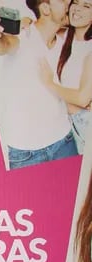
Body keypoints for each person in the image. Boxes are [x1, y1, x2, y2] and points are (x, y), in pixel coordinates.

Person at [0, 1, 76, 168]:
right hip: (26, 155)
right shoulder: (23, 36)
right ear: (45, 8)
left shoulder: (66, 39)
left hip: (64, 142)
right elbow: (2, 45)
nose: (70, 2)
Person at [39, 0, 92, 152]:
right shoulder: (65, 35)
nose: (78, 9)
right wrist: (25, 21)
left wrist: (49, 84)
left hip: (85, 122)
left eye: (87, 6)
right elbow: (41, 25)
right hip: (66, 124)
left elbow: (82, 99)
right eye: (76, 2)